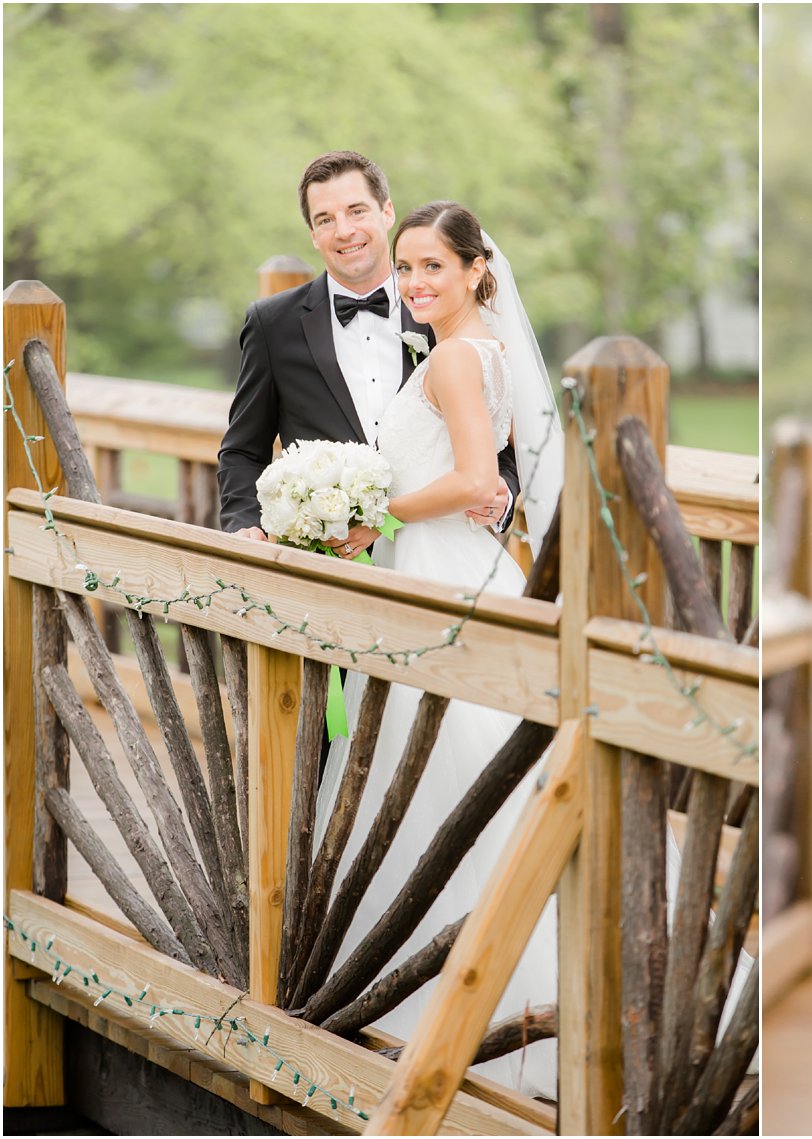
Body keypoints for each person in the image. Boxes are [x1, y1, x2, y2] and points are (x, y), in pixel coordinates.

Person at [311, 200, 566, 1099]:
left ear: (476, 273)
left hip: (434, 569)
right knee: (458, 761)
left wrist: (371, 510)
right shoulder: (481, 349)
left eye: (433, 268)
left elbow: (475, 479)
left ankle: (442, 993)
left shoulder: (457, 356)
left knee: (446, 761)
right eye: (408, 267)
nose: (416, 283)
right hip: (456, 560)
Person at [216, 151, 517, 544]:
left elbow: (500, 433)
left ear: (387, 212)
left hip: (432, 546)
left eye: (357, 211)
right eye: (325, 219)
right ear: (312, 233)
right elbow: (243, 451)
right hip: (324, 563)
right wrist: (245, 525)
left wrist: (505, 493)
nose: (344, 230)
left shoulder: (445, 311)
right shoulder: (272, 324)